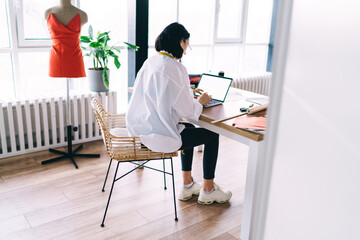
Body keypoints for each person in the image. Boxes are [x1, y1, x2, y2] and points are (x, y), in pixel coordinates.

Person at [126, 22, 232, 205]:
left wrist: (186, 92)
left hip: (140, 129)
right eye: (187, 44)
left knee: (187, 128)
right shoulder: (176, 68)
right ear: (180, 42)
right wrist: (201, 101)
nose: (185, 50)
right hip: (158, 136)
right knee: (213, 134)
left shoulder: (151, 61)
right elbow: (188, 112)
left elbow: (163, 92)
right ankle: (208, 190)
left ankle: (188, 185)